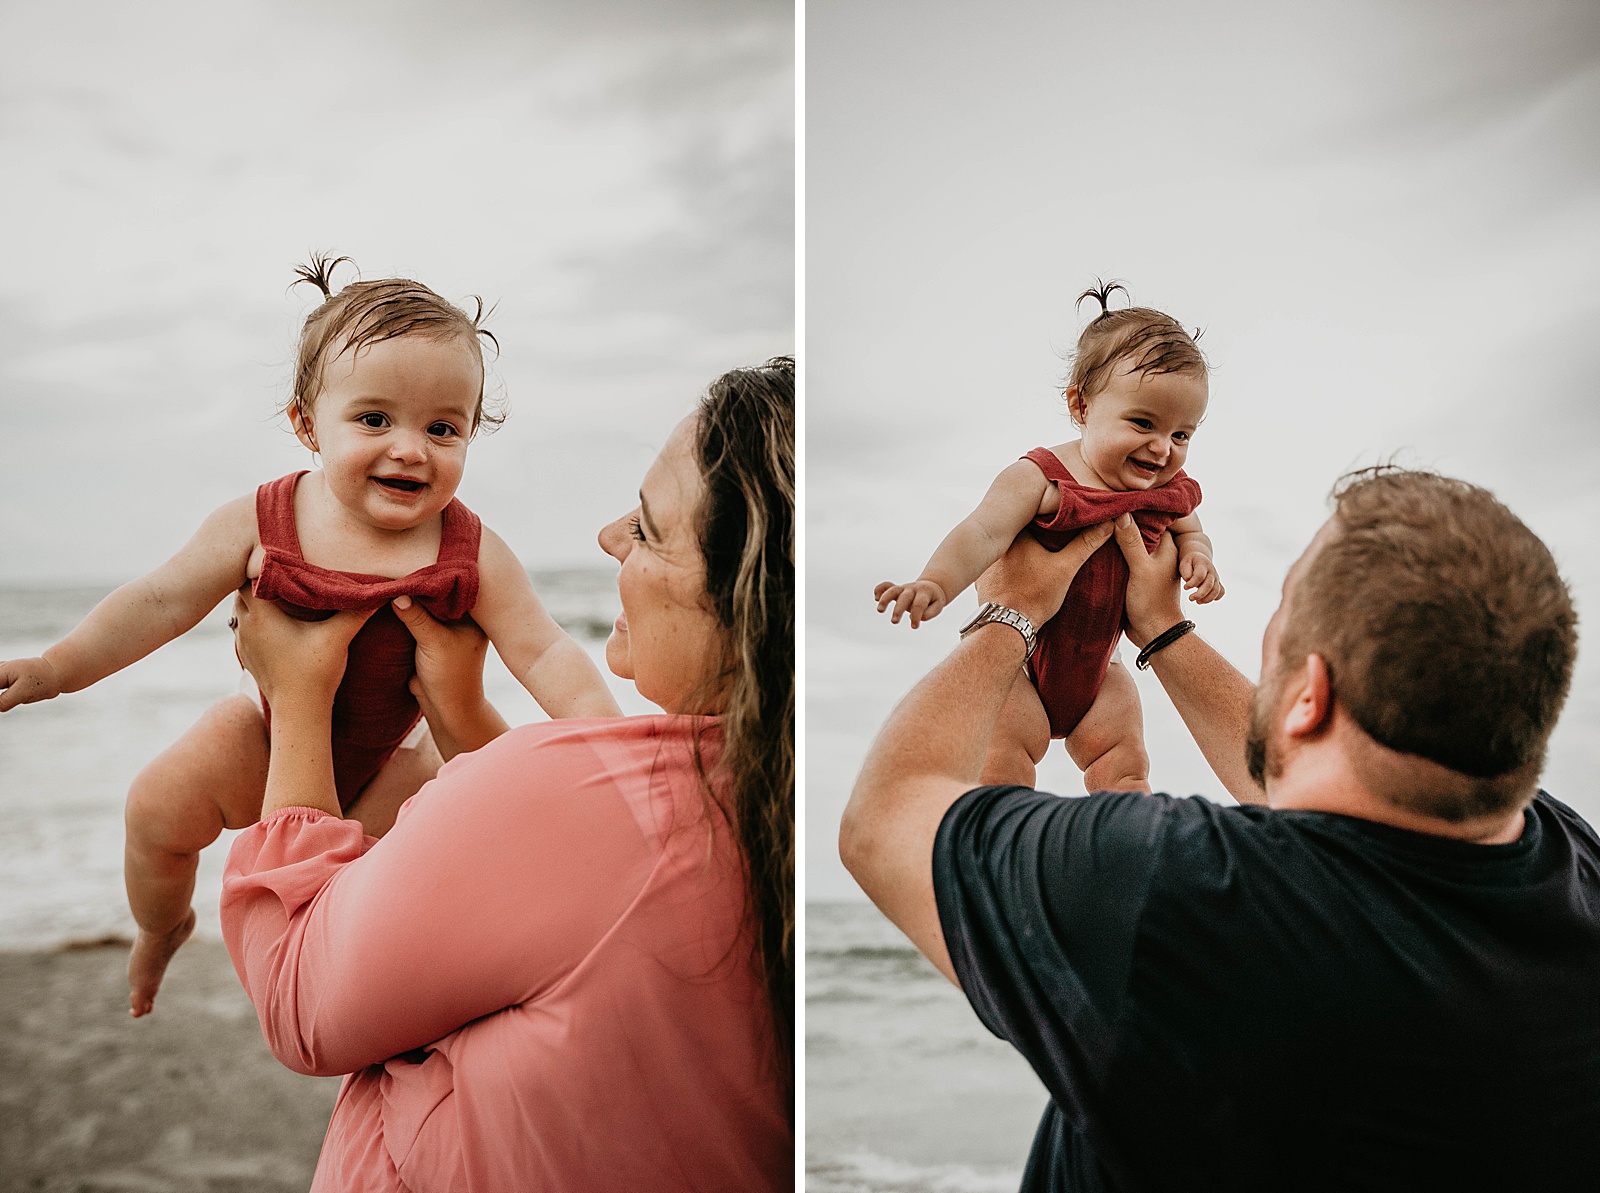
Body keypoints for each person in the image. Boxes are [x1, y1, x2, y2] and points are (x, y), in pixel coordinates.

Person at [842, 467, 1600, 1192]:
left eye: (1282, 614)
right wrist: (1163, 629)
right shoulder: (1577, 867)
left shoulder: (1179, 889)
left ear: (1309, 695)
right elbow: (1327, 790)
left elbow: (885, 817)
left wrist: (1009, 614)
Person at [221, 358, 794, 1191]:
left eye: (646, 526)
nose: (609, 538)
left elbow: (300, 999)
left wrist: (299, 694)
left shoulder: (582, 805)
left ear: (742, 594)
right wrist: (467, 722)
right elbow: (584, 905)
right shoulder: (765, 804)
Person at [0, 255, 620, 1016]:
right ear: (306, 425)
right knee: (153, 810)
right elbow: (161, 600)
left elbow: (546, 650)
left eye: (442, 427)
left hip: (395, 761)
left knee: (412, 889)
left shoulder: (471, 548)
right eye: (374, 419)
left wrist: (608, 741)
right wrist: (57, 667)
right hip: (263, 740)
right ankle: (163, 924)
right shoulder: (262, 519)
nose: (410, 447)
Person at [873, 282, 1222, 793]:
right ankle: (1007, 844)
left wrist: (1199, 558)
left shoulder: (1167, 490)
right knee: (1003, 764)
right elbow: (983, 532)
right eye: (1142, 422)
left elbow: (1192, 530)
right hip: (1018, 660)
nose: (1161, 448)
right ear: (1080, 406)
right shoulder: (1041, 477)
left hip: (1103, 666)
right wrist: (935, 584)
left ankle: (1127, 842)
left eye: (1181, 434)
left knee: (1125, 765)